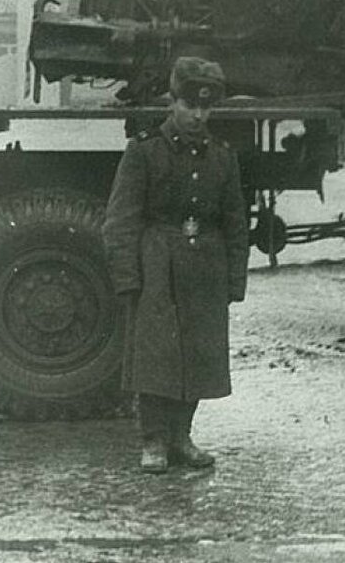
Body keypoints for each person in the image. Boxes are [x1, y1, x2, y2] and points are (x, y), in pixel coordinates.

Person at [103, 57, 249, 474]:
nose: (197, 116)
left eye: (205, 108)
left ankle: (182, 436)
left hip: (206, 266)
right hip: (157, 264)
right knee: (156, 355)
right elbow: (120, 220)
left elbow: (236, 223)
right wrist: (128, 278)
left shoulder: (223, 157)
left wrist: (234, 282)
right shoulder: (144, 151)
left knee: (198, 353)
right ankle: (153, 441)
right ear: (173, 102)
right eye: (190, 106)